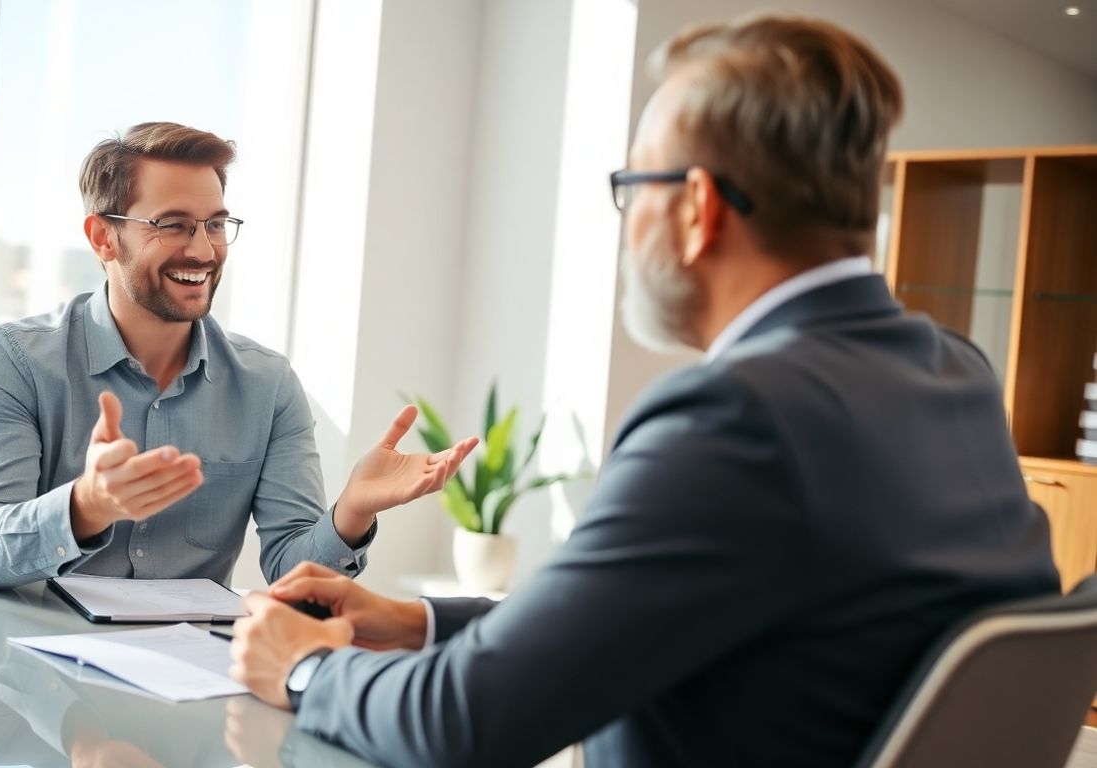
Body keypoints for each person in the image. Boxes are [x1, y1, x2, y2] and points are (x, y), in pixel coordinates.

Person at [227, 14, 1060, 767]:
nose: (627, 226)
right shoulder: (953, 372)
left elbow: (467, 726)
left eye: (633, 188)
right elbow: (656, 617)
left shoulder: (737, 417)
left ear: (697, 208)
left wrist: (304, 669)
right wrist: (420, 622)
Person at [0, 122, 476, 590]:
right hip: (33, 673)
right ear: (104, 237)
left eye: (215, 224)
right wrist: (86, 506)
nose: (202, 251)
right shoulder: (14, 360)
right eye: (172, 225)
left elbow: (295, 575)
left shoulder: (267, 383)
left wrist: (351, 514)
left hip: (186, 673)